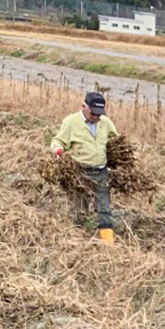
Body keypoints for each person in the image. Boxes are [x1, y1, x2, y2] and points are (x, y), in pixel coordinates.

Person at [50, 89, 119, 242]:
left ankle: (108, 242)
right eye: (93, 113)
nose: (96, 116)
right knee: (81, 206)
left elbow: (116, 142)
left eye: (99, 113)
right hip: (80, 171)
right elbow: (58, 141)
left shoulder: (105, 123)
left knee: (104, 207)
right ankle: (78, 237)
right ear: (84, 106)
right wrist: (57, 150)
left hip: (101, 171)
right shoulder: (71, 122)